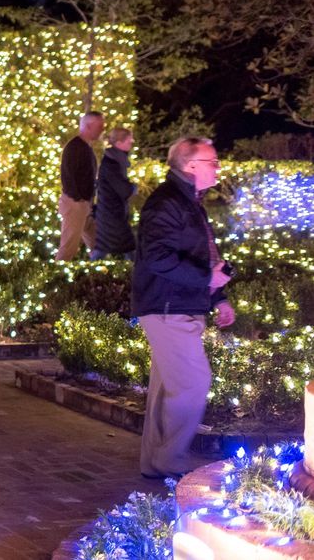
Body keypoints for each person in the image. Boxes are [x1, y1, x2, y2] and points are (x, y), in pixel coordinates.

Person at [135, 137, 235, 480]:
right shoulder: (167, 203)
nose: (217, 167)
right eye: (212, 161)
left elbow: (201, 253)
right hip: (168, 306)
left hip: (177, 303)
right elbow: (158, 257)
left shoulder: (187, 202)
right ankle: (170, 459)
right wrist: (207, 277)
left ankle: (156, 462)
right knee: (193, 382)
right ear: (190, 165)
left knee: (168, 388)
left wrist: (216, 295)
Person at [57, 111, 104, 260]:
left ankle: (100, 273)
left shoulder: (84, 147)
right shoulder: (76, 147)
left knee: (99, 245)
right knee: (68, 249)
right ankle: (55, 279)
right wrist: (79, 199)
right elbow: (68, 176)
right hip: (76, 204)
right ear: (89, 126)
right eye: (100, 126)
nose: (102, 130)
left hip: (83, 204)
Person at [91, 127, 137, 261]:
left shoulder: (114, 160)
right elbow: (123, 189)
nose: (131, 142)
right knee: (129, 247)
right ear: (119, 143)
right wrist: (133, 187)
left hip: (110, 214)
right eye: (129, 140)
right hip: (111, 215)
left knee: (104, 249)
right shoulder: (112, 164)